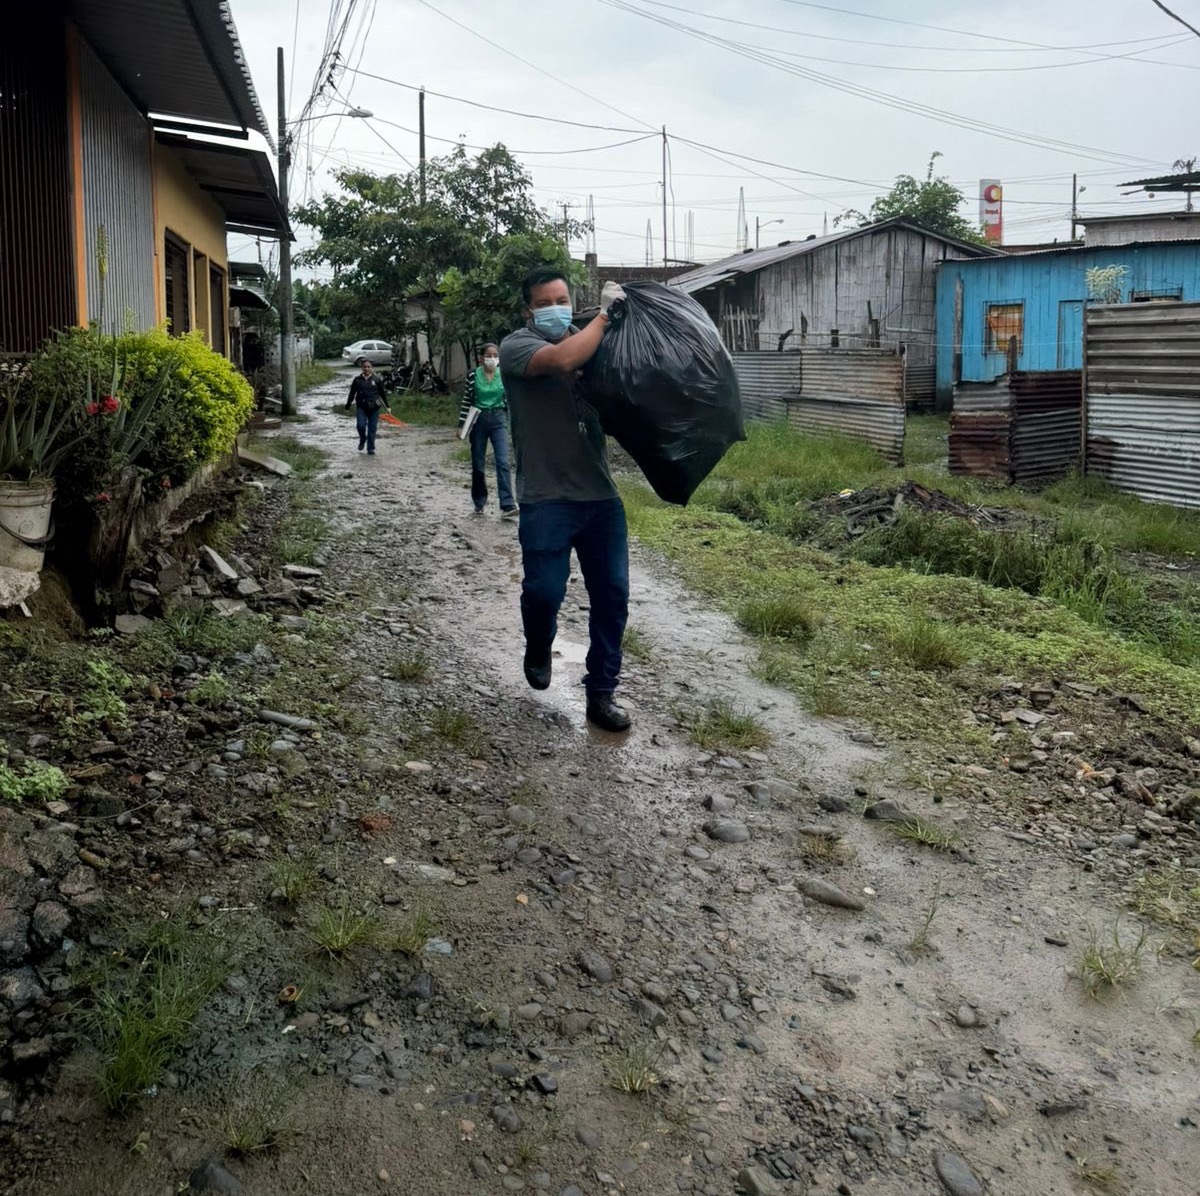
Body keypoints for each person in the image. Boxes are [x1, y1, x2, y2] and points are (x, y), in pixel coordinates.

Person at [499, 267, 631, 733]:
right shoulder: (517, 346)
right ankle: (539, 644)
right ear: (528, 311)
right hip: (546, 497)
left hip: (601, 497)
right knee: (544, 591)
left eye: (561, 300)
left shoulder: (592, 342)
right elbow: (561, 360)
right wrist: (606, 317)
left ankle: (602, 693)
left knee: (612, 596)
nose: (555, 309)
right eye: (544, 303)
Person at [457, 343, 517, 518]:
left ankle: (507, 504)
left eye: (495, 355)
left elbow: (510, 399)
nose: (492, 358)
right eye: (489, 355)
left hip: (499, 418)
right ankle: (479, 501)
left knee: (503, 461)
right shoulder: (473, 376)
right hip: (478, 419)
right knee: (478, 463)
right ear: (481, 358)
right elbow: (467, 401)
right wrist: (461, 425)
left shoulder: (503, 374)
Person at [345, 359, 388, 454]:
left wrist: (387, 406)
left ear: (372, 368)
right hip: (361, 407)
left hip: (374, 408)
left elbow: (382, 394)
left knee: (372, 428)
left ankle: (370, 448)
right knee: (360, 426)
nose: (366, 369)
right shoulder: (357, 380)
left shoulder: (377, 379)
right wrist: (348, 405)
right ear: (362, 368)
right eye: (364, 367)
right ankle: (362, 439)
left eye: (368, 367)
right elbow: (352, 393)